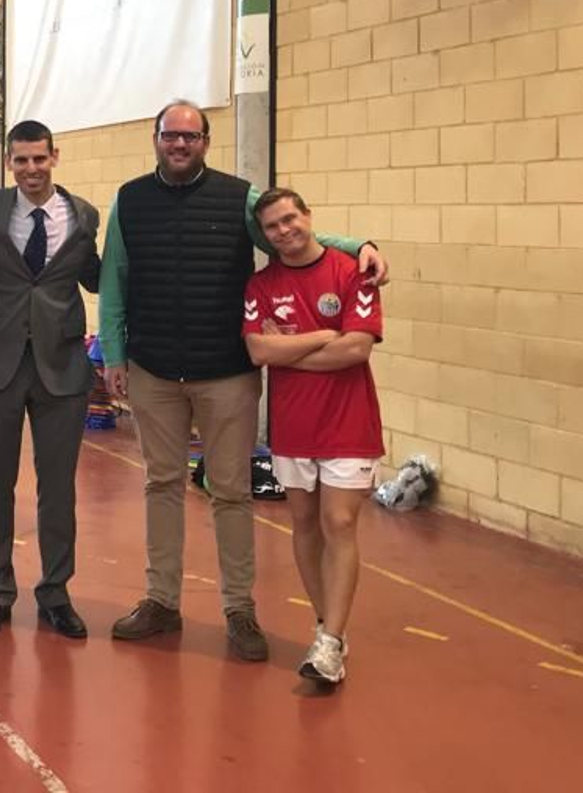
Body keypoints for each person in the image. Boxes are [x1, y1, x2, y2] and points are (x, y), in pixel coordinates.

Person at [99, 99, 387, 662]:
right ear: (156, 139)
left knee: (230, 491)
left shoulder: (239, 197)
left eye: (191, 136)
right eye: (169, 136)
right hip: (153, 367)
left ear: (206, 141)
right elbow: (115, 279)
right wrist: (114, 354)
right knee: (160, 484)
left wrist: (359, 247)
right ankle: (161, 600)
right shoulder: (128, 200)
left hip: (226, 372)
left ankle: (239, 610)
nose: (179, 145)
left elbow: (296, 235)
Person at [0, 120, 101, 640]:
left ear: (55, 156)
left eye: (39, 159)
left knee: (58, 486)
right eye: (20, 160)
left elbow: (97, 274)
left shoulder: (83, 214)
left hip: (62, 364)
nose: (30, 169)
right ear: (10, 164)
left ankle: (55, 591)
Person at [243, 187, 384, 686]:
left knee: (338, 522)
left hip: (349, 423)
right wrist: (325, 335)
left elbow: (357, 350)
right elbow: (259, 351)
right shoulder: (260, 285)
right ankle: (330, 632)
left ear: (308, 216)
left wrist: (293, 349)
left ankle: (329, 641)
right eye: (273, 226)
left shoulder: (353, 274)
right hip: (293, 425)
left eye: (290, 219)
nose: (285, 231)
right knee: (304, 523)